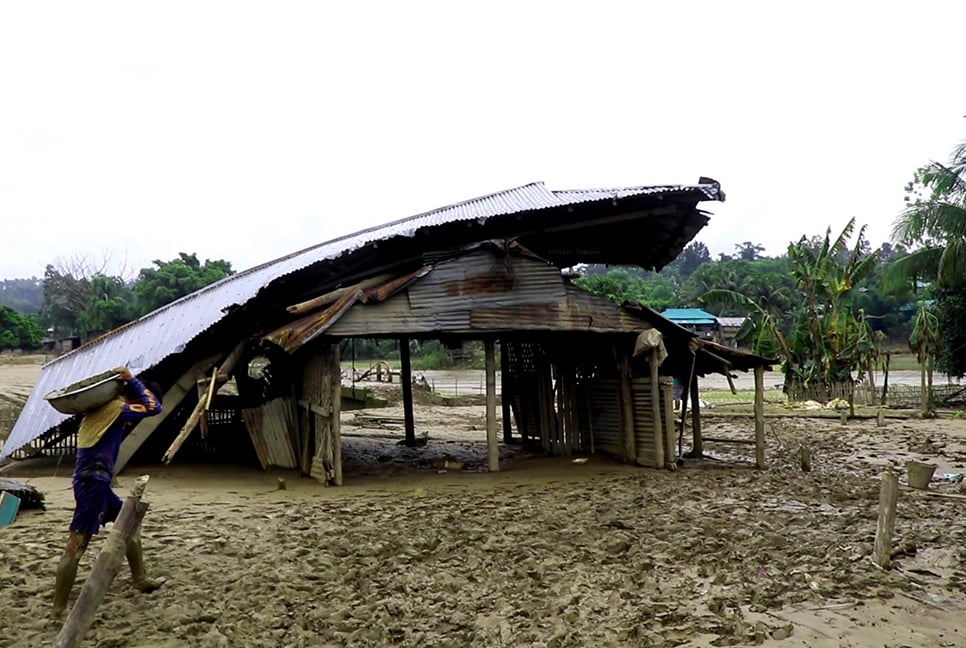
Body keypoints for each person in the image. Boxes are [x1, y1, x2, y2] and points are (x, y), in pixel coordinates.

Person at [53, 366, 165, 615]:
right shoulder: (114, 409)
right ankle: (58, 608)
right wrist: (132, 380)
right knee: (76, 545)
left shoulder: (103, 411)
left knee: (130, 526)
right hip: (92, 484)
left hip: (96, 483)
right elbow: (154, 407)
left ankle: (140, 579)